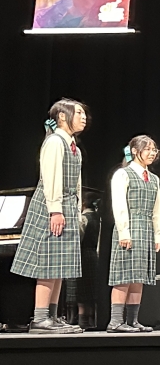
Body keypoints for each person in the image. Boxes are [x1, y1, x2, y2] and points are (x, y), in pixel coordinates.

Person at [13, 99, 89, 334]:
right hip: (52, 205)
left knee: (59, 265)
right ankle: (40, 318)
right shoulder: (55, 142)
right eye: (78, 113)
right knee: (48, 263)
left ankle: (52, 317)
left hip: (67, 206)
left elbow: (76, 183)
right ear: (62, 117)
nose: (84, 117)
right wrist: (55, 210)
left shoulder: (74, 147)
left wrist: (76, 211)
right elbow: (51, 178)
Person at [106, 136, 160, 333]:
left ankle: (132, 320)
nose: (152, 153)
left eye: (154, 149)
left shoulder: (154, 179)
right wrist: (124, 232)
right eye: (147, 149)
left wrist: (158, 234)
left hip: (146, 229)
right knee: (124, 276)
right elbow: (119, 204)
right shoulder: (123, 174)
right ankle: (115, 321)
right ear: (134, 151)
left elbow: (157, 209)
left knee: (138, 276)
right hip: (129, 227)